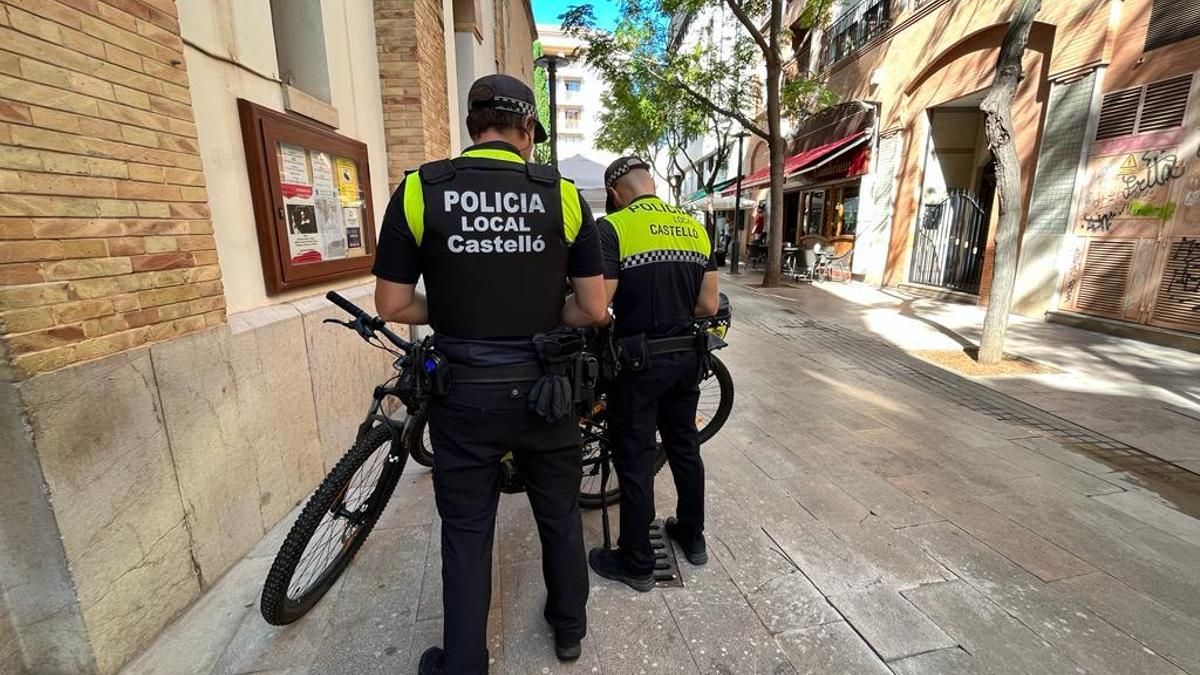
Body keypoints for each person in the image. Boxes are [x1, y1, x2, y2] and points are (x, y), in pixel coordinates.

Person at [372, 74, 609, 674]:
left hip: (462, 398)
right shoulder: (561, 193)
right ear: (528, 129)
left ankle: (465, 662)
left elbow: (394, 305)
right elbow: (593, 308)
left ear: (472, 124)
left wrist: (451, 311)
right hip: (547, 392)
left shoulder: (421, 190)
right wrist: (542, 316)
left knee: (467, 529)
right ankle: (569, 630)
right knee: (557, 511)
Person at [588, 157, 720, 591]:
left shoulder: (615, 227)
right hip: (687, 360)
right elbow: (708, 307)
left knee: (636, 456)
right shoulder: (694, 227)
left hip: (637, 365)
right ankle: (692, 536)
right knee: (684, 445)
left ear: (614, 192)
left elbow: (600, 305)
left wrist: (608, 322)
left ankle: (638, 563)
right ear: (652, 183)